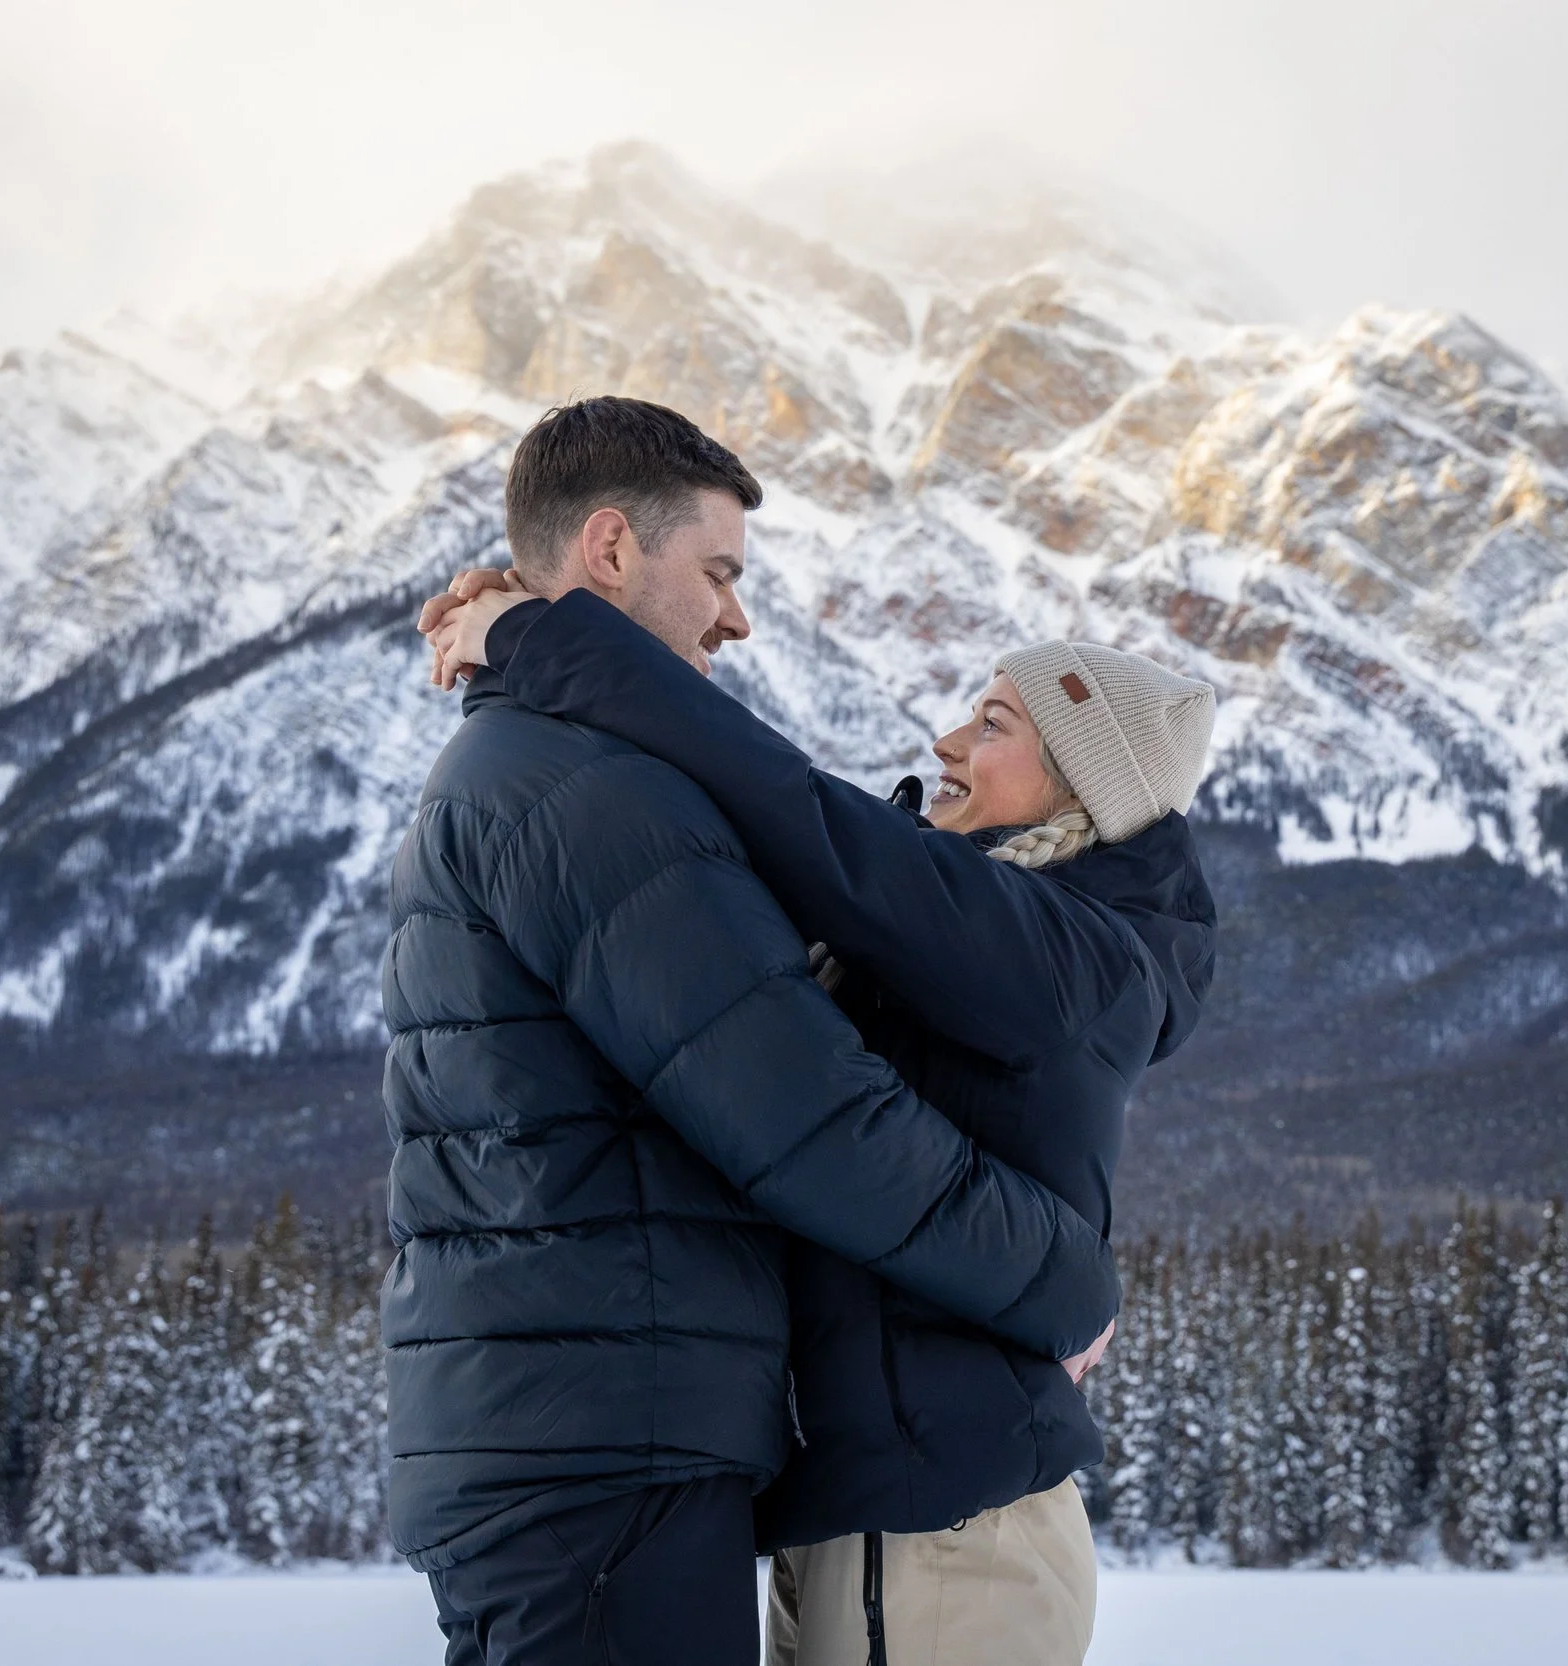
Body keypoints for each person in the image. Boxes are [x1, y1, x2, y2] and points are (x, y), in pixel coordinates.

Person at [381, 396, 1120, 1666]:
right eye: (718, 572)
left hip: (581, 1426)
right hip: (603, 1445)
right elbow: (806, 1112)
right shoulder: (582, 792)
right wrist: (1065, 1281)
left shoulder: (548, 763)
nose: (737, 615)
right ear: (611, 550)